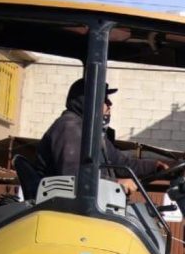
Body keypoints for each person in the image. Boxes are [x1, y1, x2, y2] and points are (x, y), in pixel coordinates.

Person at [38, 79, 170, 198]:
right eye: (104, 99)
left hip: (87, 203)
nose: (110, 104)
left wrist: (154, 166)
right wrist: (116, 183)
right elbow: (73, 176)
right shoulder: (69, 128)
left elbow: (120, 162)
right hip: (63, 206)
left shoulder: (90, 132)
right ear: (89, 101)